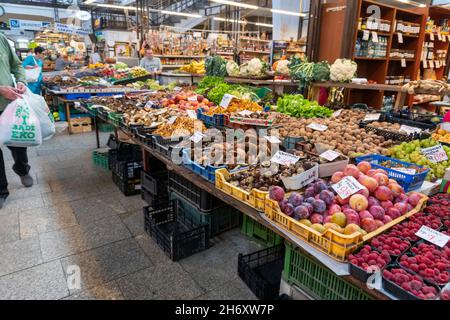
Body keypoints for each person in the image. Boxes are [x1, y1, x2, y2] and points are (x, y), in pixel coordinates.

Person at [0, 33, 34, 209]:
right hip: (2, 95)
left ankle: (22, 168)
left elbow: (17, 65)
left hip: (7, 104)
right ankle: (1, 191)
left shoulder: (1, 38)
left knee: (19, 142)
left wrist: (21, 81)